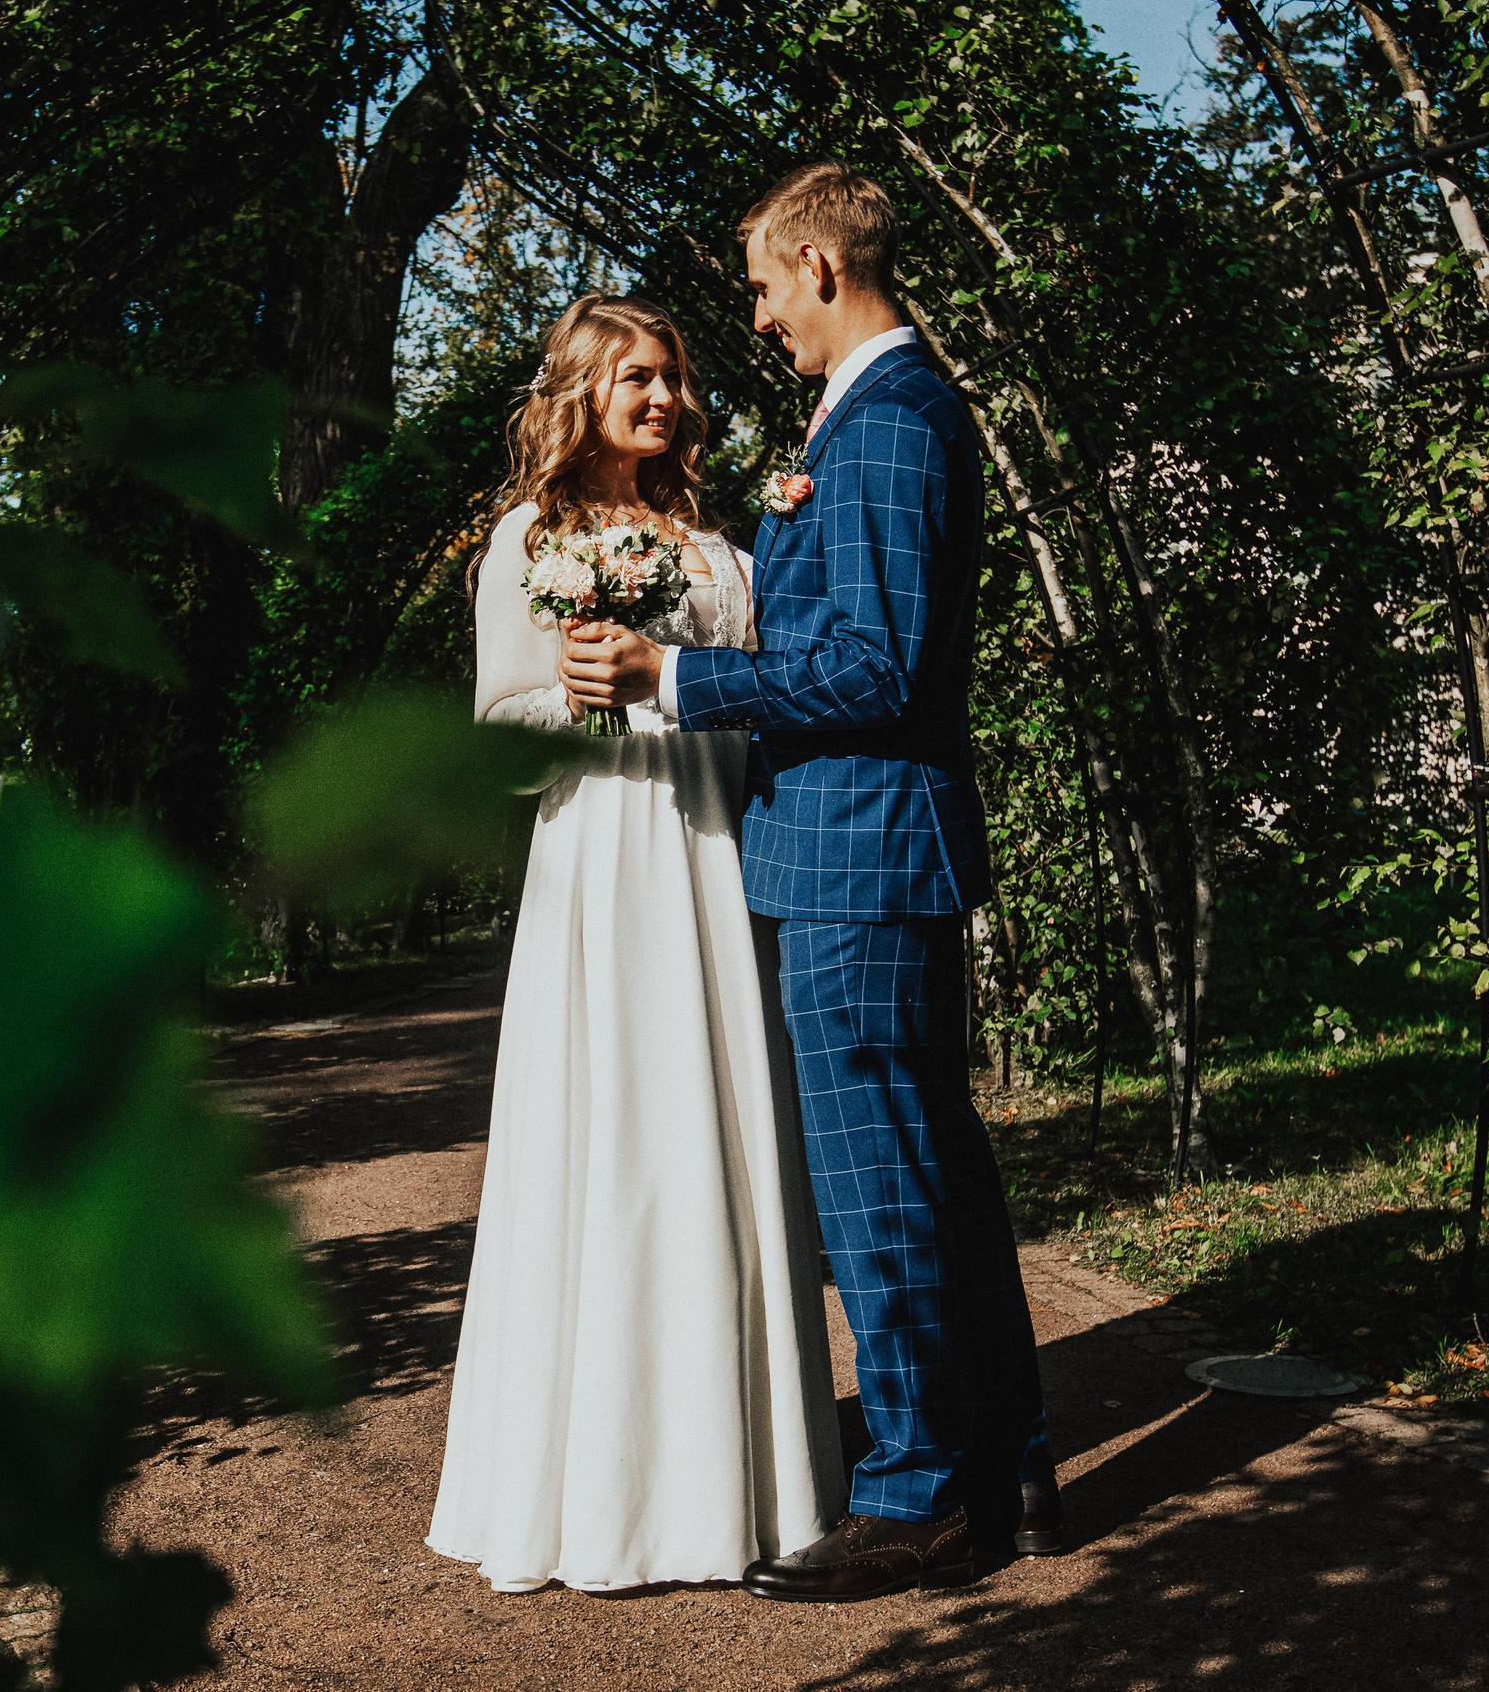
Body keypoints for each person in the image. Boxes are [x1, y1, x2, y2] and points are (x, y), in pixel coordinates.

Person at [561, 159, 1059, 1603]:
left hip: (860, 856)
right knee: (938, 1176)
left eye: (770, 287)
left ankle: (913, 1499)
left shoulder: (895, 423)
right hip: (851, 850)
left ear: (820, 268)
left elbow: (882, 667)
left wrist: (676, 670)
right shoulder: (861, 419)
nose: (764, 319)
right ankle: (1007, 1462)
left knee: (880, 1185)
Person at [426, 293, 846, 1595]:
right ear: (582, 392)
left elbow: (781, 682)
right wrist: (584, 693)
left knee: (721, 1131)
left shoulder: (719, 543)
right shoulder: (527, 539)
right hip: (606, 852)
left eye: (672, 377)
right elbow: (500, 717)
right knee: (611, 1143)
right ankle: (597, 1487)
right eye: (636, 379)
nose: (662, 398)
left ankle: (748, 1479)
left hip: (721, 846)